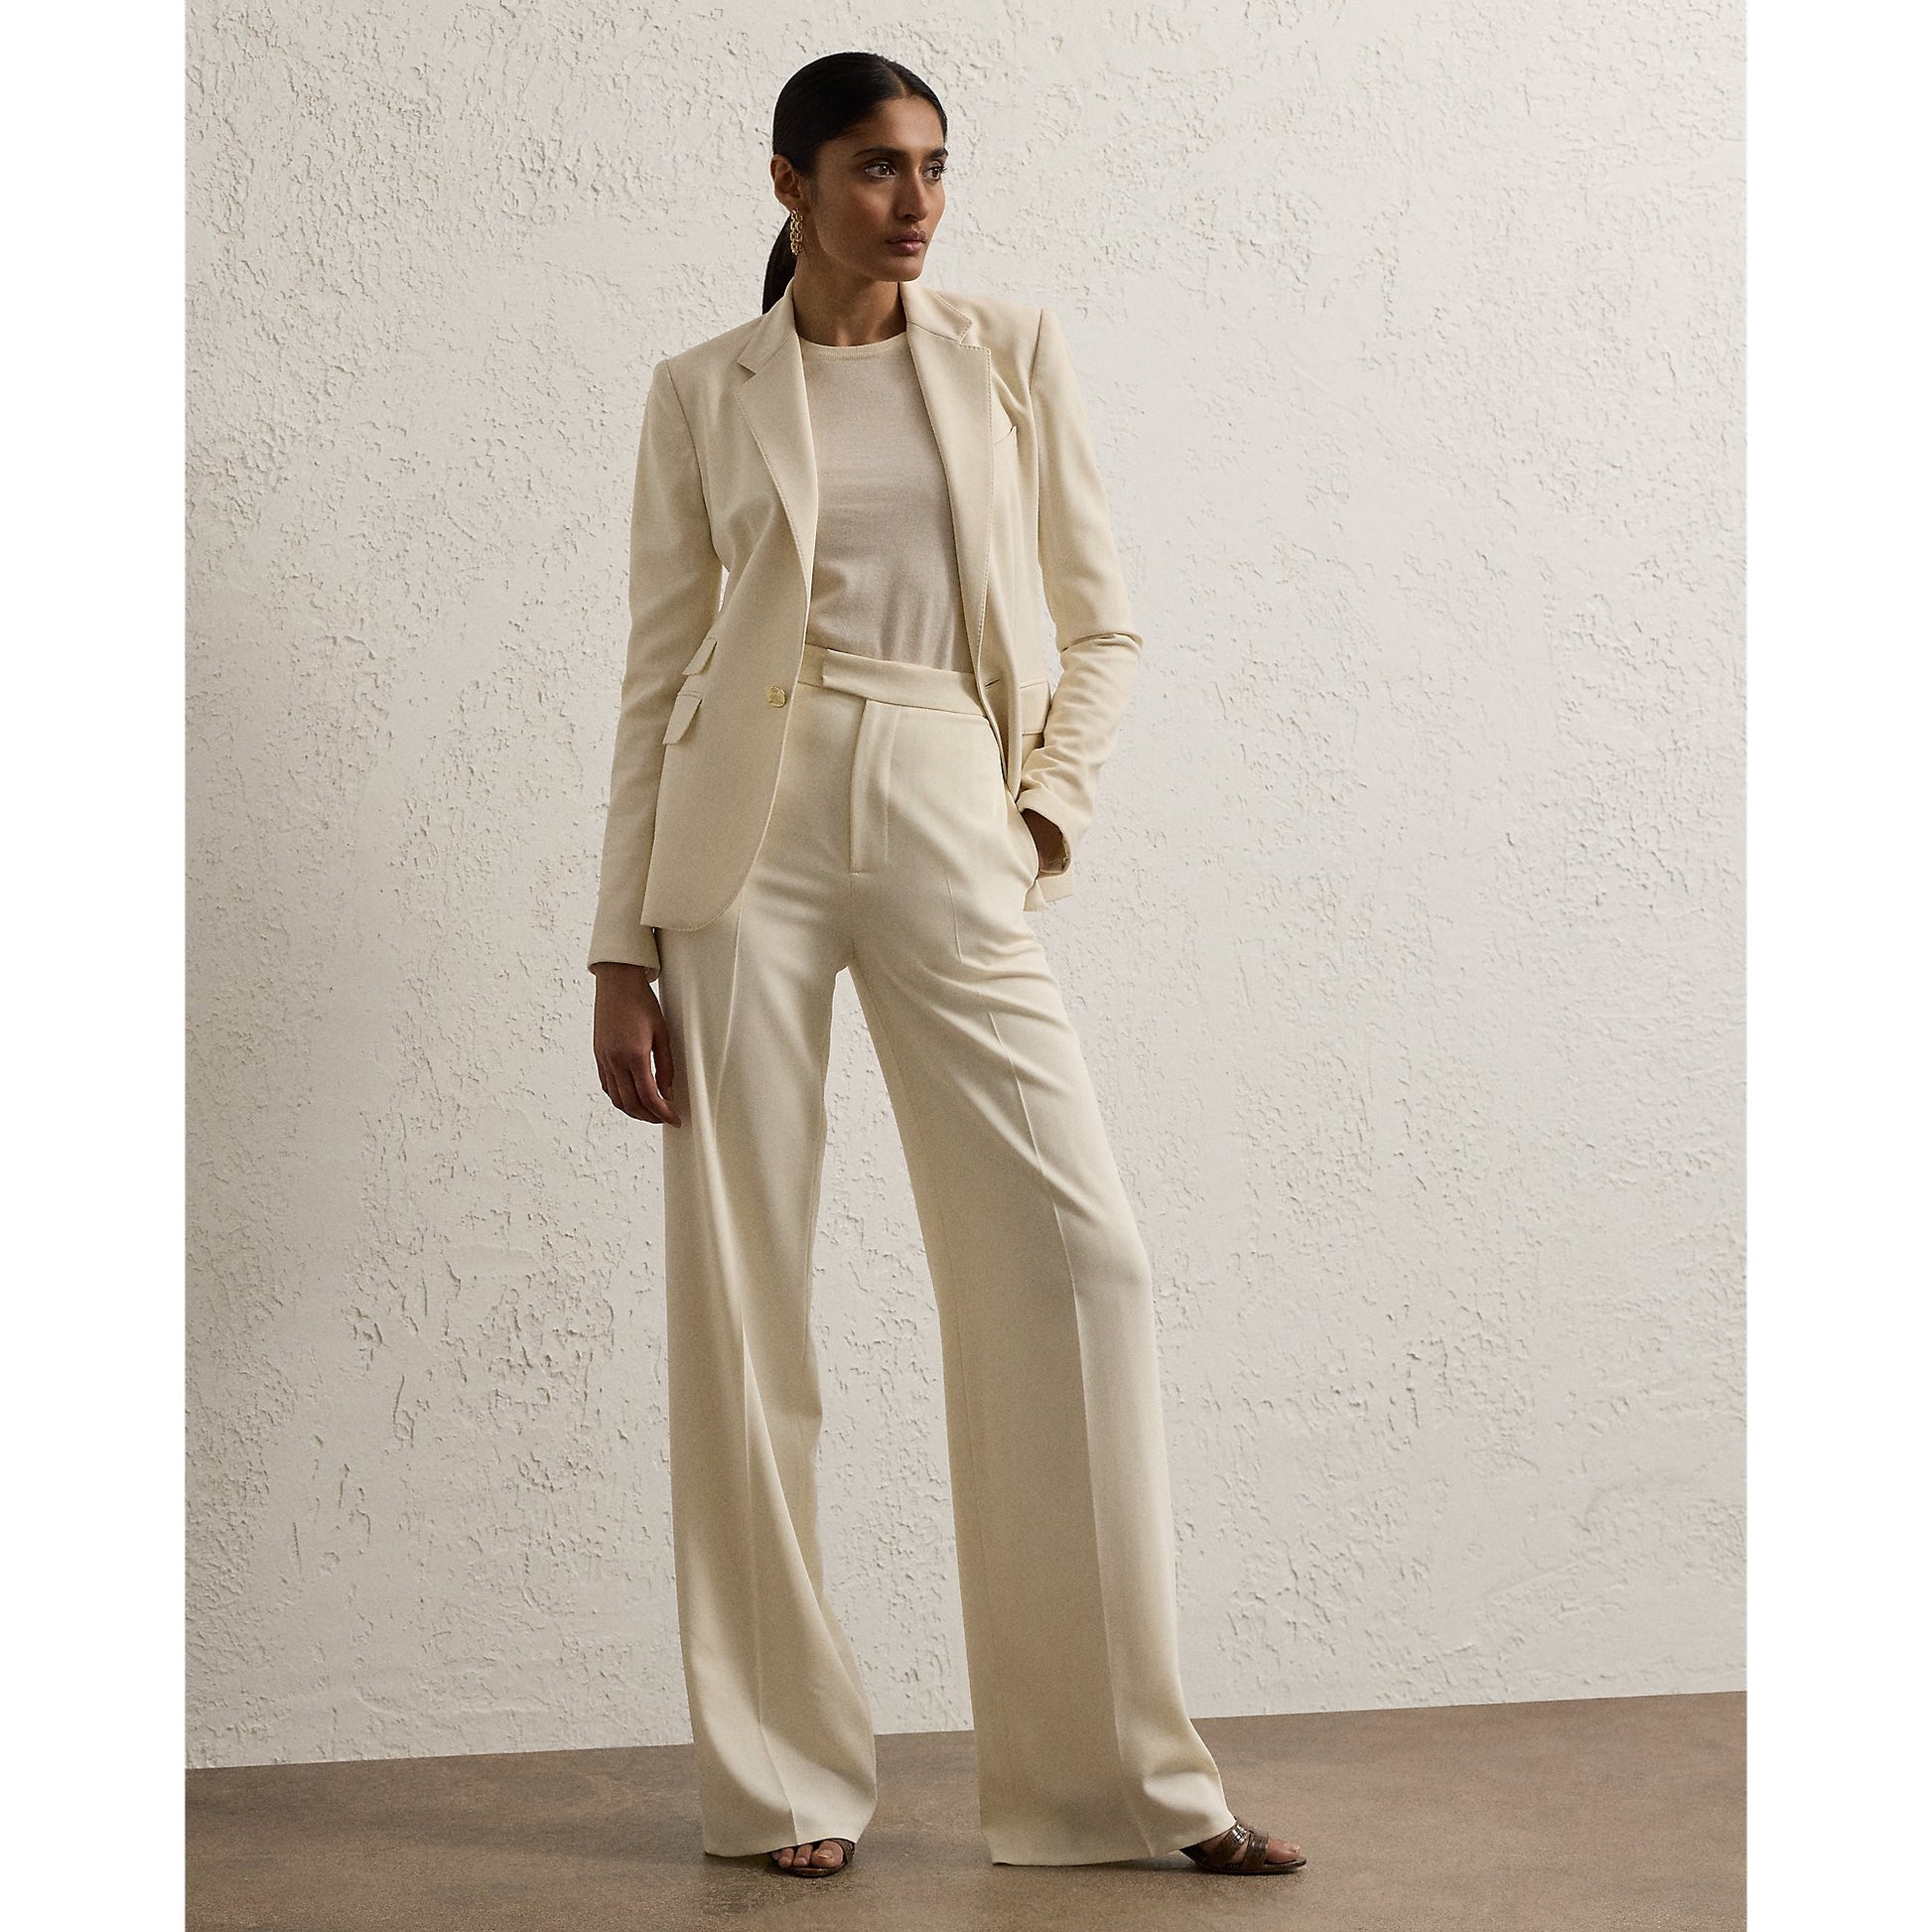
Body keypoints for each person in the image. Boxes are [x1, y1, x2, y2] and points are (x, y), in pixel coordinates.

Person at [587, 51, 1308, 1883]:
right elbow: (658, 670)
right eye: (871, 168)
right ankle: (782, 1780)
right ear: (788, 182)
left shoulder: (1009, 353)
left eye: (931, 166)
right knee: (744, 1305)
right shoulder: (701, 390)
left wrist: (1038, 815)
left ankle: (1116, 1784)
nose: (912, 201)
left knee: (1077, 1260)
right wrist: (616, 946)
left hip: (939, 786)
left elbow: (1101, 620)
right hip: (733, 836)